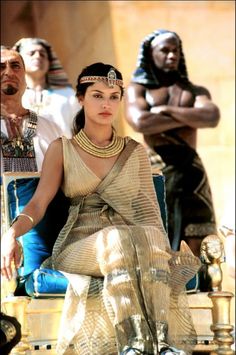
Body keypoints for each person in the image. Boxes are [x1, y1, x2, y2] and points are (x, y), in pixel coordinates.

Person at [1, 63, 201, 355]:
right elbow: (38, 203)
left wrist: (158, 250)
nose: (106, 104)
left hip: (131, 243)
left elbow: (150, 216)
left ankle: (161, 343)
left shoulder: (135, 152)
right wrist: (11, 234)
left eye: (113, 96)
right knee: (118, 238)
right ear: (81, 99)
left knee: (149, 236)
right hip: (79, 246)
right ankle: (134, 345)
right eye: (97, 95)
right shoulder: (62, 148)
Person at [124, 29, 220, 257]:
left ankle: (201, 285)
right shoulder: (138, 89)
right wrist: (188, 115)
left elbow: (211, 116)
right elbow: (141, 121)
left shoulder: (195, 91)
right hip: (155, 166)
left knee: (199, 236)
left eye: (175, 50)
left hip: (191, 171)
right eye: (165, 50)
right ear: (151, 54)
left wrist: (166, 111)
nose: (171, 55)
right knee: (157, 234)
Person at [0, 47, 63, 173]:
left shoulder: (52, 129)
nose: (9, 72)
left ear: (25, 78)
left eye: (15, 66)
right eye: (1, 66)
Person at [13, 37, 80, 138]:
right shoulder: (10, 97)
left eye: (42, 54)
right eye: (31, 53)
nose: (38, 56)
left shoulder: (68, 95)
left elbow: (82, 131)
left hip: (64, 152)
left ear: (50, 62)